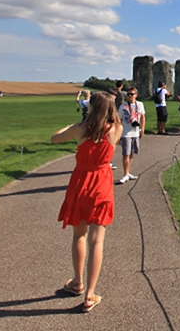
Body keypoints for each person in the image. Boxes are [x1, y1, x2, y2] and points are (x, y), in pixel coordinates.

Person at [51, 91, 123, 313]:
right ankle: (90, 293)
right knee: (97, 240)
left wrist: (71, 125)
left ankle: (77, 281)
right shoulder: (116, 130)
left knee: (78, 235)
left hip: (81, 181)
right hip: (101, 181)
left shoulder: (80, 129)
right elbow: (110, 131)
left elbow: (55, 137)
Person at [117, 88, 145, 184]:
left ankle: (128, 172)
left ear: (136, 95)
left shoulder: (140, 105)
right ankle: (125, 174)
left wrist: (143, 129)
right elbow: (119, 120)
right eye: (128, 94)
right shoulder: (123, 106)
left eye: (131, 94)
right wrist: (118, 133)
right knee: (126, 154)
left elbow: (142, 117)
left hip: (136, 132)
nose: (129, 96)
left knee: (132, 153)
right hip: (126, 133)